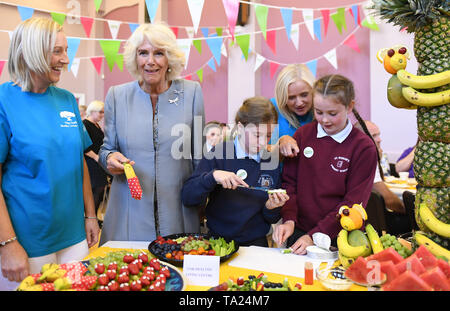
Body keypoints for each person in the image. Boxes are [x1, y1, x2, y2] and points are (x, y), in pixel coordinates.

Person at [0, 17, 99, 288]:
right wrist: (7, 244)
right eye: (57, 51)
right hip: (28, 242)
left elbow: (78, 162)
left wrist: (91, 216)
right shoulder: (3, 101)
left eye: (66, 50)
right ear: (32, 50)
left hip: (74, 238)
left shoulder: (67, 99)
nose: (65, 59)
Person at [98, 22, 205, 245]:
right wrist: (109, 158)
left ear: (170, 59)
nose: (150, 61)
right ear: (135, 58)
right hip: (129, 209)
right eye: (143, 53)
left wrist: (203, 203)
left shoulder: (192, 93)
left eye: (159, 53)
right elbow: (107, 148)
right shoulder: (117, 96)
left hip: (180, 209)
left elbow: (199, 156)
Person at [273, 74, 378, 254]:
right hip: (299, 232)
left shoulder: (363, 147)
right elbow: (289, 184)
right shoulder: (303, 135)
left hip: (341, 237)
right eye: (318, 112)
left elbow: (353, 204)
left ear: (349, 106)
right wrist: (289, 219)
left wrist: (315, 235)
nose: (325, 120)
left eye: (332, 113)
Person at [182, 96, 289, 247]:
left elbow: (271, 218)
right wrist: (213, 176)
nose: (263, 142)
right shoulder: (219, 152)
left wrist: (271, 207)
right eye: (257, 135)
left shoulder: (270, 161)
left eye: (269, 135)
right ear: (240, 128)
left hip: (256, 244)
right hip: (217, 242)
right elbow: (188, 197)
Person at [354, 120, 405, 213]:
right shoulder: (365, 157)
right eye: (373, 136)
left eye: (378, 134)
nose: (379, 139)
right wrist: (406, 211)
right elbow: (388, 199)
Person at [270, 64, 315, 157]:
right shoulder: (270, 109)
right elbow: (254, 149)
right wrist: (280, 142)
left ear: (313, 91)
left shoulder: (322, 110)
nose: (299, 103)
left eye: (304, 95)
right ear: (282, 97)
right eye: (291, 97)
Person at [83, 100, 109, 225]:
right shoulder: (85, 124)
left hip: (98, 162)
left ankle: (94, 217)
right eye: (100, 112)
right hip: (91, 162)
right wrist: (97, 158)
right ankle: (90, 218)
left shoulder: (96, 125)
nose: (102, 115)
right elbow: (85, 147)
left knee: (100, 189)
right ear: (92, 111)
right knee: (94, 190)